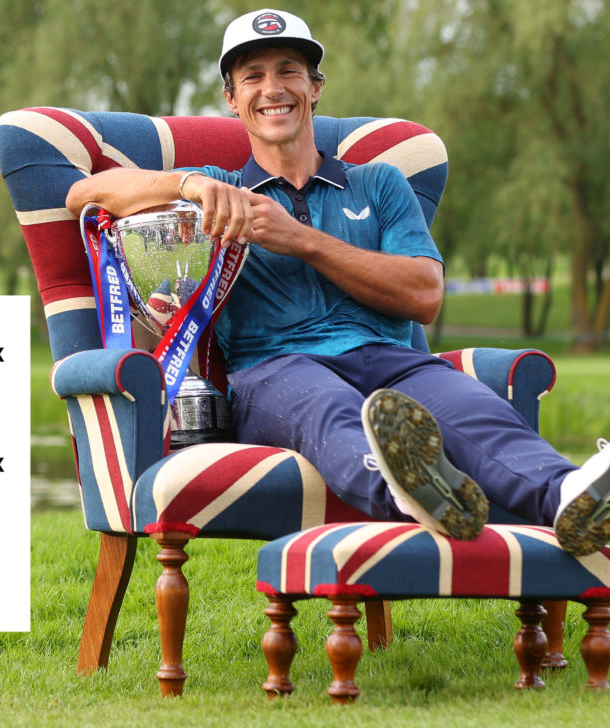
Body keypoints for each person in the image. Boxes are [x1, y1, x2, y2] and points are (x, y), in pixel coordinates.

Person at [65, 8, 610, 555]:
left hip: (391, 360)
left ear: (316, 87)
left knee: (474, 410)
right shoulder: (221, 192)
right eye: (253, 76)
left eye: (289, 71)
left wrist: (301, 239)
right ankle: (417, 495)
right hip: (273, 370)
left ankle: (569, 493)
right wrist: (187, 184)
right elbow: (83, 195)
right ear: (232, 98)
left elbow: (424, 295)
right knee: (325, 407)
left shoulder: (379, 184)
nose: (272, 89)